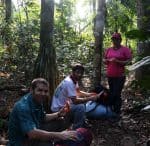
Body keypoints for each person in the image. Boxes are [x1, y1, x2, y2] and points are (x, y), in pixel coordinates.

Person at [7, 78, 92, 146]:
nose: (43, 93)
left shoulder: (37, 100)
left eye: (45, 91)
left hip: (34, 132)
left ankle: (66, 137)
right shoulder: (23, 107)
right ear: (32, 90)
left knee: (62, 120)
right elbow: (32, 133)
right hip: (22, 141)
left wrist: (58, 114)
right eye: (39, 90)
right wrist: (60, 135)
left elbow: (42, 117)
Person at [51, 64, 99, 130]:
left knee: (82, 102)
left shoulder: (73, 80)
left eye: (81, 73)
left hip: (63, 105)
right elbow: (75, 101)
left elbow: (78, 92)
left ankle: (82, 121)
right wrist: (90, 98)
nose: (80, 75)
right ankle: (77, 129)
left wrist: (89, 94)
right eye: (78, 72)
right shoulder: (69, 82)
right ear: (73, 72)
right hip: (58, 109)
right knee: (80, 107)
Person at [103, 32, 132, 116]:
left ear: (120, 40)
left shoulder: (125, 49)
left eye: (116, 39)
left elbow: (129, 61)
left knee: (117, 93)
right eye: (113, 39)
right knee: (112, 93)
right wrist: (105, 61)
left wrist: (118, 61)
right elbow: (105, 59)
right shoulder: (109, 49)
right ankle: (112, 110)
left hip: (120, 76)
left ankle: (117, 112)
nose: (114, 41)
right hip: (110, 75)